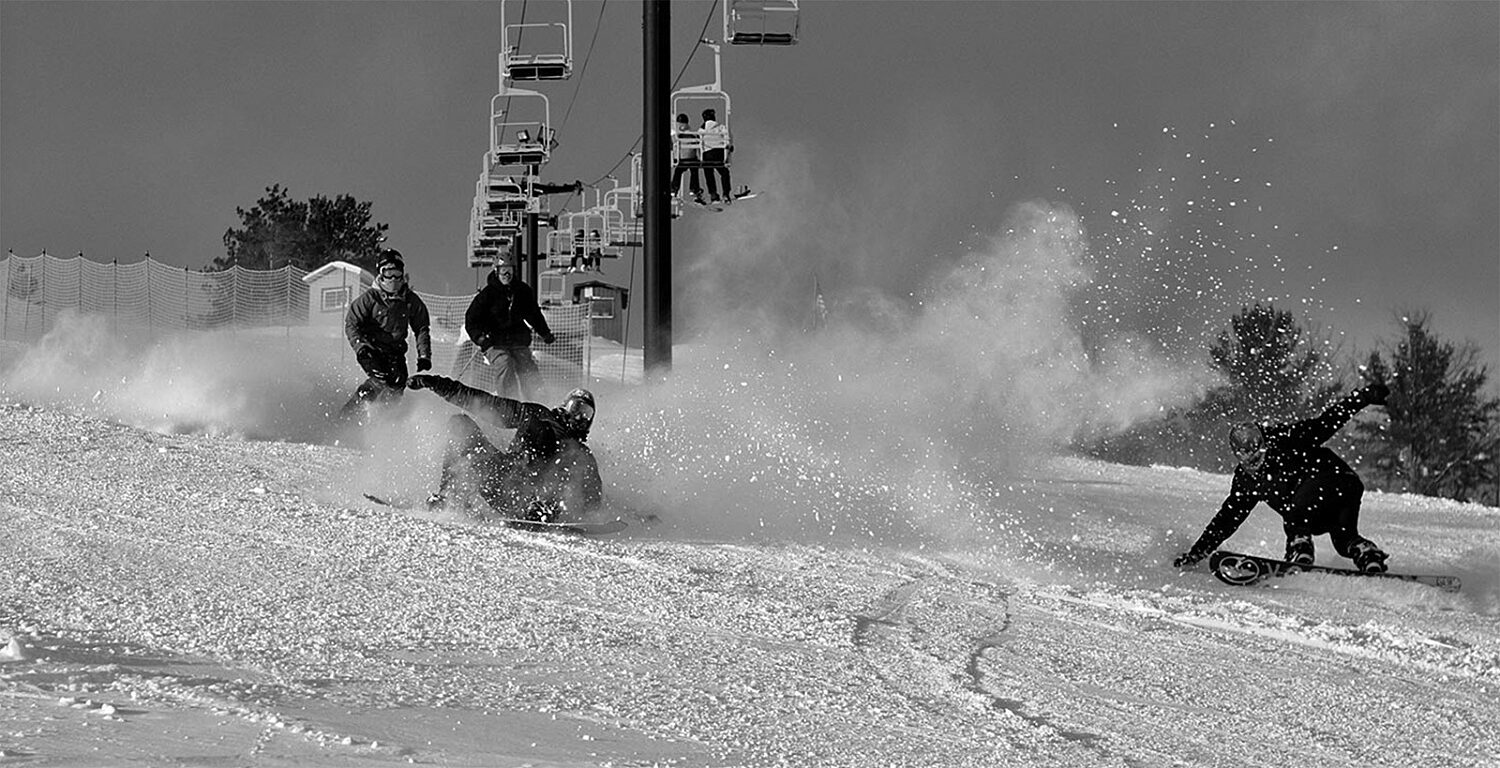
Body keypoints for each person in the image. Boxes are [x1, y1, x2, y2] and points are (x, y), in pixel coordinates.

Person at [1173, 382, 1392, 573]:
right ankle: (1367, 555)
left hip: (1333, 478)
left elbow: (1327, 421)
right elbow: (1226, 520)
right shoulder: (1246, 481)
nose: (1255, 464)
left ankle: (1299, 547)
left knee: (1295, 511)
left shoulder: (1285, 439)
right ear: (1239, 457)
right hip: (1336, 499)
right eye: (1249, 462)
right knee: (1344, 539)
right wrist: (1196, 554)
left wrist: (1362, 397)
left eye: (1259, 456)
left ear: (1264, 443)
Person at [408, 374, 600, 522]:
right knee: (460, 424)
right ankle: (448, 497)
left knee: (573, 456)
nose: (578, 417)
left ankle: (541, 508)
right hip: (503, 478)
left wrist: (588, 515)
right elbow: (486, 403)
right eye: (576, 408)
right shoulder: (540, 415)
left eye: (585, 414)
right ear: (565, 406)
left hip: (531, 501)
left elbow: (593, 496)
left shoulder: (580, 454)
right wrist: (434, 383)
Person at [339, 249, 431, 421]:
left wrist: (424, 355)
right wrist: (361, 347)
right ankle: (350, 414)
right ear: (381, 274)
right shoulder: (370, 298)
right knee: (379, 379)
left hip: (395, 351)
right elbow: (352, 323)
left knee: (398, 382)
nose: (394, 279)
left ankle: (386, 421)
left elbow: (422, 327)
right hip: (371, 348)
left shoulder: (410, 300)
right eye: (389, 274)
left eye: (397, 274)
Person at [464, 260, 555, 400]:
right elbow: (471, 319)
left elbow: (533, 314)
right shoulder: (488, 295)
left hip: (517, 341)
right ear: (496, 272)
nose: (507, 274)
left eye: (510, 270)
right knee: (505, 363)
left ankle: (537, 400)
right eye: (503, 270)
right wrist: (480, 338)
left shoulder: (522, 291)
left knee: (527, 366)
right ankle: (509, 400)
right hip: (495, 343)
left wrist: (545, 333)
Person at [699, 108, 733, 204]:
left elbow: (699, 142)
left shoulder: (701, 129)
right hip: (719, 153)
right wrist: (729, 148)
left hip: (707, 154)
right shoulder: (721, 127)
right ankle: (726, 193)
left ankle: (713, 194)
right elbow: (728, 138)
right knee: (724, 173)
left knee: (709, 173)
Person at [669, 113, 704, 205]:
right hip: (692, 158)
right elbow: (699, 147)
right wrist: (700, 158)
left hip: (681, 159)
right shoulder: (692, 134)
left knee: (678, 171)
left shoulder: (675, 134)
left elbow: (672, 145)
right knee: (694, 170)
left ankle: (674, 188)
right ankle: (694, 189)